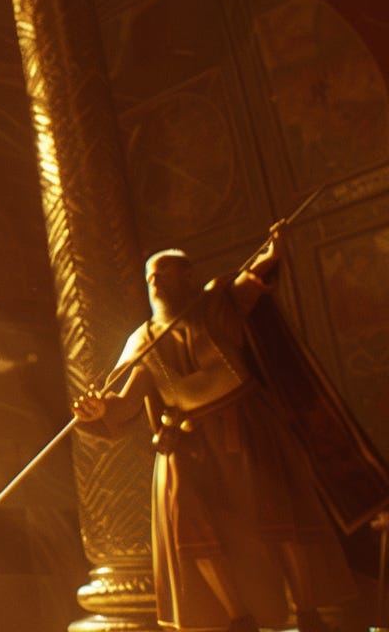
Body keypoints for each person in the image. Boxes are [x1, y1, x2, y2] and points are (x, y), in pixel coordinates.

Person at [72, 226, 359, 632]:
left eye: (165, 272)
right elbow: (124, 404)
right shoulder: (141, 343)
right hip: (188, 444)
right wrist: (98, 410)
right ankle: (238, 618)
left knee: (280, 520)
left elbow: (253, 281)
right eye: (151, 276)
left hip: (246, 427)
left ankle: (307, 612)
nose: (156, 280)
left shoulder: (216, 305)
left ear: (187, 275)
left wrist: (272, 252)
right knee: (193, 532)